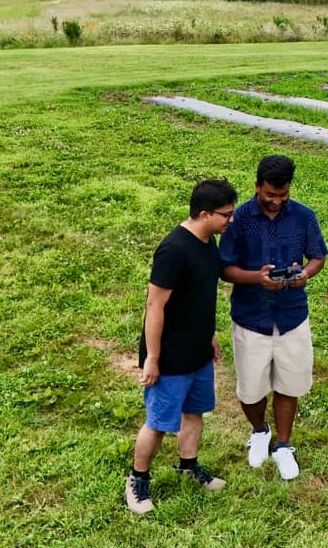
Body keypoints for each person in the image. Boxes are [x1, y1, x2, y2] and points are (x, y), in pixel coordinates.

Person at [126, 178, 238, 515]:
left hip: (198, 351)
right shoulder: (174, 249)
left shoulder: (207, 242)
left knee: (194, 412)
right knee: (159, 422)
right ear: (204, 214)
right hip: (171, 356)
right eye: (226, 215)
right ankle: (137, 480)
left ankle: (188, 467)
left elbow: (198, 296)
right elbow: (154, 306)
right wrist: (153, 359)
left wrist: (208, 335)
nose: (230, 221)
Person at [220, 155, 328, 481]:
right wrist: (257, 278)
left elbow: (318, 256)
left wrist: (305, 273)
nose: (276, 201)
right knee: (251, 389)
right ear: (257, 186)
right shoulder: (237, 220)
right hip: (251, 316)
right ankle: (259, 430)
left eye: (283, 195)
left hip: (292, 314)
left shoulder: (303, 216)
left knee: (288, 383)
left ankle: (283, 444)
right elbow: (224, 268)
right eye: (270, 194)